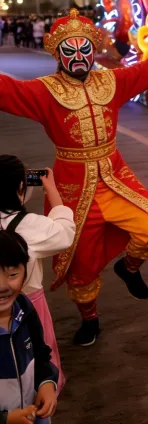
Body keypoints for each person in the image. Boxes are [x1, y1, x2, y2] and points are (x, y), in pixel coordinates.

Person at [0, 9, 148, 346]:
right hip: (73, 185)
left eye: (84, 49)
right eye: (70, 50)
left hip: (115, 175)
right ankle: (90, 319)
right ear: (58, 54)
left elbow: (146, 71)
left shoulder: (110, 82)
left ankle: (128, 267)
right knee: (81, 264)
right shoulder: (45, 91)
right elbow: (6, 90)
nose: (79, 57)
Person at [0, 157, 74, 394]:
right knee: (37, 353)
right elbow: (64, 232)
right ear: (21, 187)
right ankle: (43, 395)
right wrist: (52, 191)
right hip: (28, 303)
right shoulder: (31, 225)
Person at [0, 230, 59, 424]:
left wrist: (46, 383)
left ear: (26, 271)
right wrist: (5, 422)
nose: (2, 286)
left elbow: (41, 354)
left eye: (13, 274)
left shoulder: (24, 308)